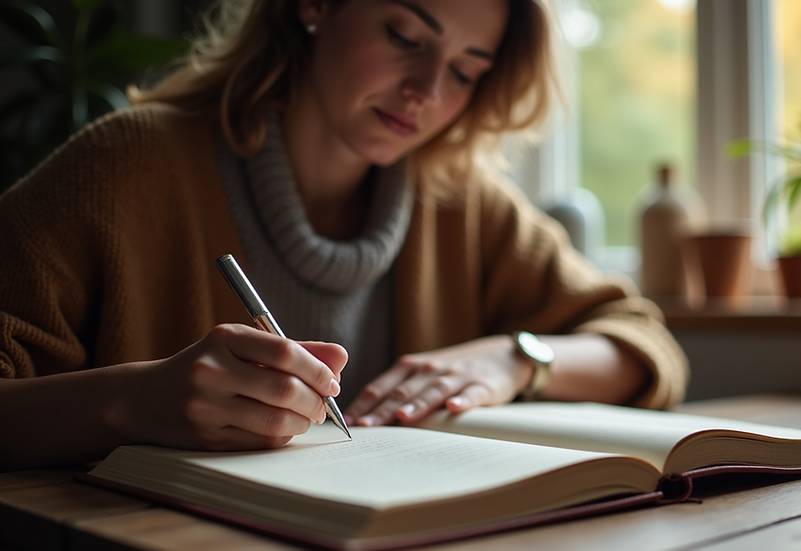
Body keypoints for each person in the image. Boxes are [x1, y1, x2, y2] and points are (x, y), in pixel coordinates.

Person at [0, 0, 688, 472]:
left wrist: (512, 360)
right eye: (405, 37)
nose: (426, 89)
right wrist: (129, 402)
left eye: (464, 71)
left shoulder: (464, 201)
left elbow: (643, 341)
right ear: (314, 4)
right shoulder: (122, 167)